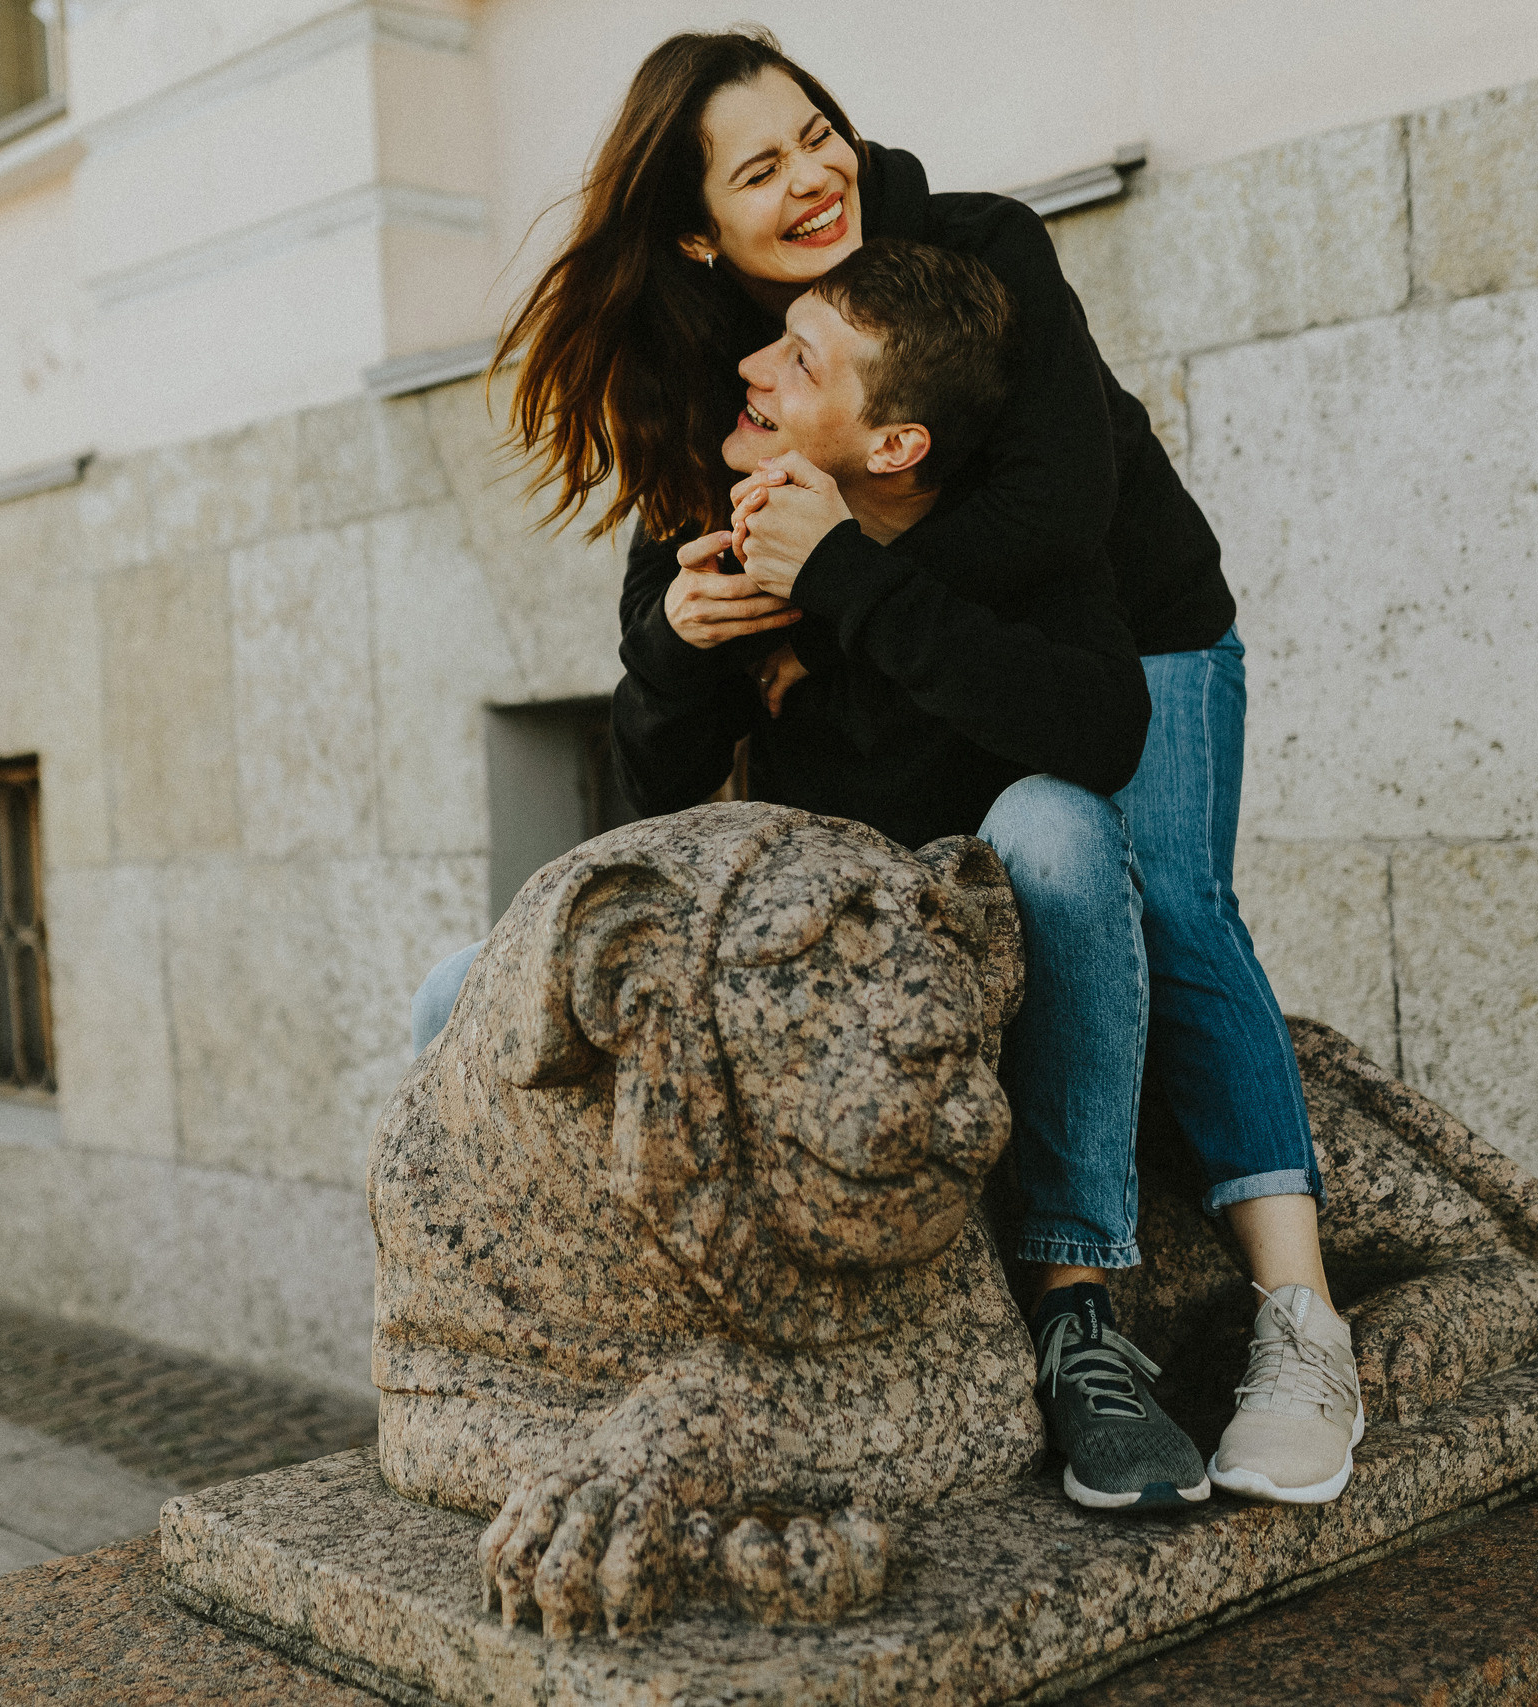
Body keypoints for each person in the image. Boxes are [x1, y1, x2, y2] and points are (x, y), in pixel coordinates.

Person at [435, 28, 1359, 1509]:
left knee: (1170, 903)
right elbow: (655, 645)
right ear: (699, 228)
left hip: (1135, 627)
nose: (816, 174)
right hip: (921, 691)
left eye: (819, 132)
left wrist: (839, 579)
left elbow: (1058, 515)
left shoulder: (971, 254)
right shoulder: (726, 375)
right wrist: (694, 622)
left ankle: (1303, 1327)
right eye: (762, 168)